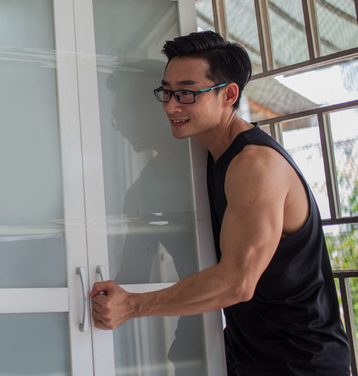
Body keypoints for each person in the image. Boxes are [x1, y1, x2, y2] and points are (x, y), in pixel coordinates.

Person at [90, 31, 350, 375]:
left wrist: (133, 306)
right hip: (243, 354)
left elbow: (236, 283)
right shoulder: (203, 158)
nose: (170, 106)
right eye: (166, 92)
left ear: (229, 94)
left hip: (300, 362)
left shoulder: (254, 164)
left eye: (185, 92)